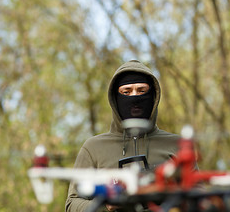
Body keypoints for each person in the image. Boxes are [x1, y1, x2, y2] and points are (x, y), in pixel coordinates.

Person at [65, 60, 180, 212]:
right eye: (126, 92)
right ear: (115, 99)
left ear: (153, 96)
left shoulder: (177, 144)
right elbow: (72, 203)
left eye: (141, 90)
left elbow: (199, 197)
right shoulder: (93, 148)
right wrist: (106, 206)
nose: (134, 97)